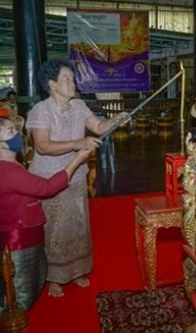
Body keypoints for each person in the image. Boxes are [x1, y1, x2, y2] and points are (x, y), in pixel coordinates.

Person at [0, 116, 91, 315]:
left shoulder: (10, 164)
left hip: (29, 233)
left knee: (32, 282)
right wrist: (77, 159)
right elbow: (47, 188)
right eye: (10, 132)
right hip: (18, 241)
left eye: (15, 130)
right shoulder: (7, 171)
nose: (17, 135)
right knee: (19, 303)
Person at [26, 59, 128, 297]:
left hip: (77, 175)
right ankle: (53, 276)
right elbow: (42, 146)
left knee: (78, 225)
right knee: (53, 229)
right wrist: (78, 143)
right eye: (67, 79)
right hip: (49, 177)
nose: (72, 83)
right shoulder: (41, 110)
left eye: (72, 78)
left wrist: (116, 119)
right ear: (52, 84)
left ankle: (76, 270)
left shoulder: (80, 106)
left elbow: (100, 127)